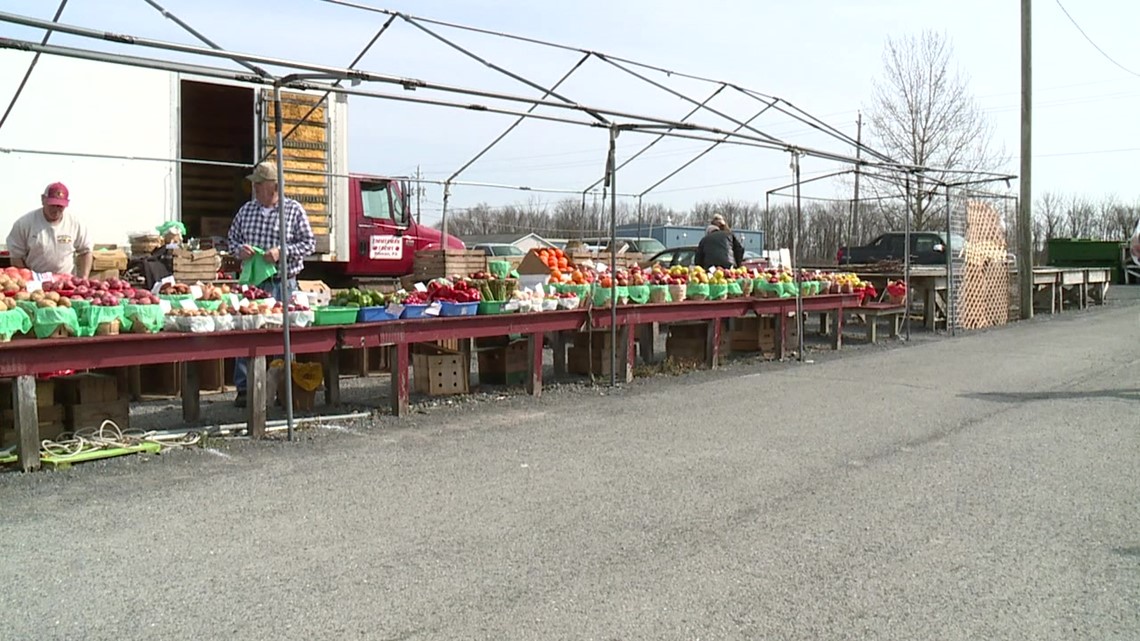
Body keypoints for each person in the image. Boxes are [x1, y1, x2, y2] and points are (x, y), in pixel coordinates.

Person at [228, 161, 316, 408]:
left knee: (283, 338)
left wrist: (281, 252)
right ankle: (245, 389)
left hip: (283, 283)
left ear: (274, 187)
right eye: (254, 184)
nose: (254, 188)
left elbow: (309, 243)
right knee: (247, 333)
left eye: (259, 184)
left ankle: (282, 388)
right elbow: (231, 238)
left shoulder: (293, 210)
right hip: (253, 285)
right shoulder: (246, 210)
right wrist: (239, 250)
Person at [6, 182, 92, 277]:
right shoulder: (24, 224)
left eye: (60, 206)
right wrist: (27, 279)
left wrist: (83, 278)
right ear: (43, 199)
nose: (56, 209)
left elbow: (85, 251)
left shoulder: (75, 223)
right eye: (52, 205)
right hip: (35, 281)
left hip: (65, 282)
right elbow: (16, 256)